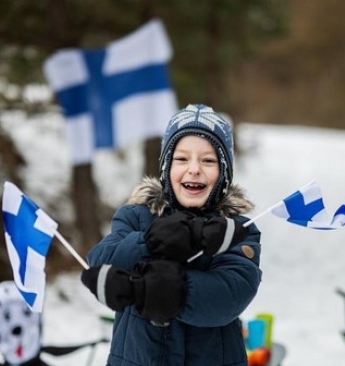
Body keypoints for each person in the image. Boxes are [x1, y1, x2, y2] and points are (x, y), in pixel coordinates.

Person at [80, 104, 262, 366]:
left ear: (223, 173)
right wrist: (149, 240)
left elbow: (230, 294)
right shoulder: (136, 216)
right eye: (182, 158)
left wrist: (146, 289)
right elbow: (101, 261)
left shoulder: (236, 230)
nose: (194, 169)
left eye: (208, 160)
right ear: (166, 167)